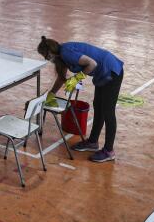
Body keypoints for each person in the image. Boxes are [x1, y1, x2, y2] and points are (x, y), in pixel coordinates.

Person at [37, 36, 124, 164]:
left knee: (108, 112)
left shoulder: (66, 52)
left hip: (111, 71)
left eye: (45, 55)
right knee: (99, 107)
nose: (45, 59)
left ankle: (109, 151)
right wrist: (51, 94)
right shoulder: (61, 58)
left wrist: (77, 78)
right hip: (102, 74)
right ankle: (93, 142)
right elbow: (61, 78)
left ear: (50, 52)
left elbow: (92, 63)